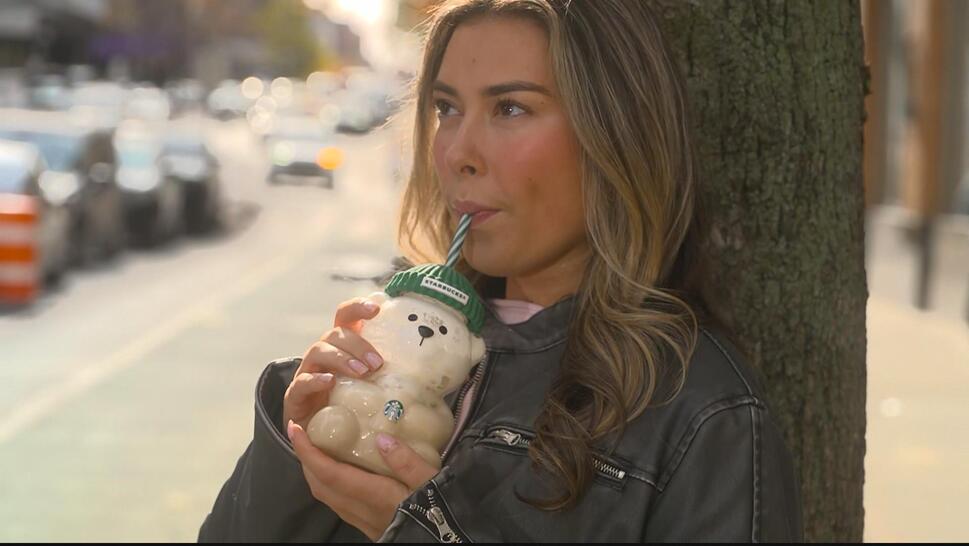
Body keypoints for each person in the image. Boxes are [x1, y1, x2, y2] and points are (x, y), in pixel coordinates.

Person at [198, 0, 803, 542]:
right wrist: (292, 444)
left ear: (614, 134)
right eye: (446, 107)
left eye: (510, 107)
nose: (458, 151)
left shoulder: (702, 417)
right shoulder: (401, 341)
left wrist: (433, 531)